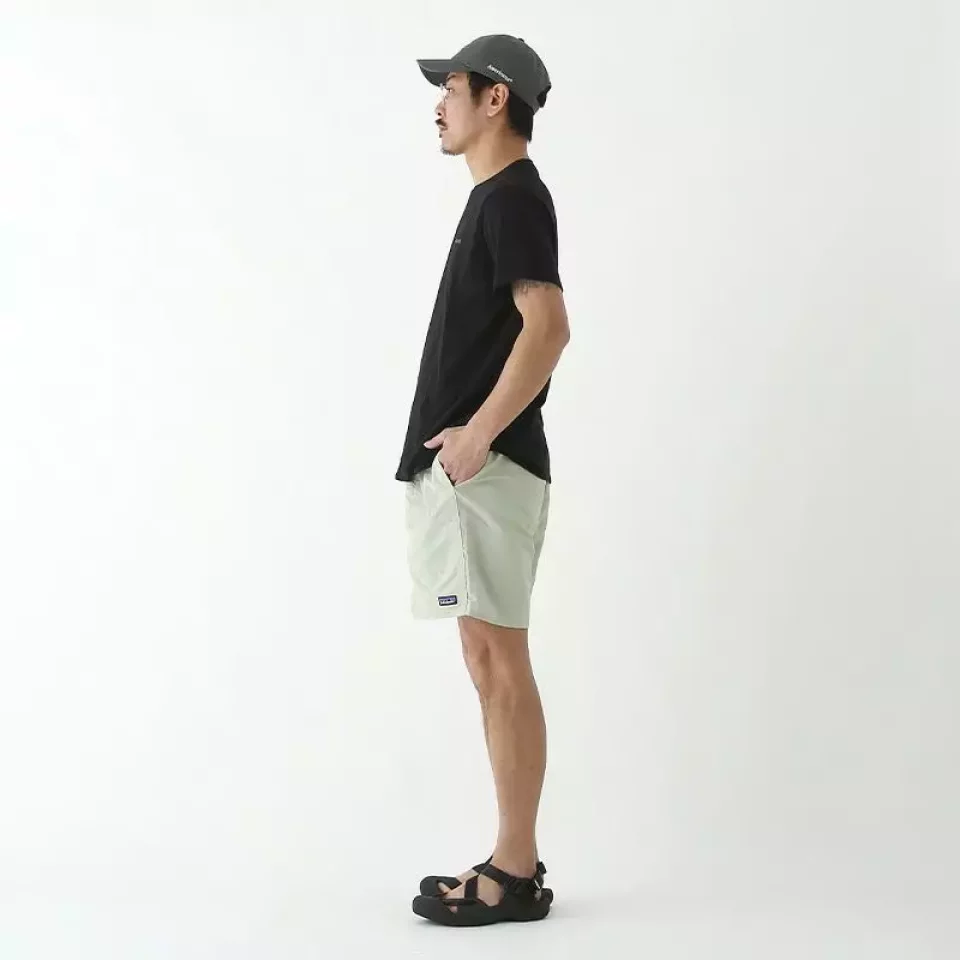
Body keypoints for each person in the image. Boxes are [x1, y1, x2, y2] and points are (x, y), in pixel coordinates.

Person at [395, 34, 570, 927]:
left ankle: (513, 871)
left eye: (452, 87)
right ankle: (514, 862)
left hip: (488, 473)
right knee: (486, 657)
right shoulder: (496, 201)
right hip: (475, 473)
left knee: (499, 662)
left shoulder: (514, 199)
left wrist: (476, 438)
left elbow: (549, 328)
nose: (439, 103)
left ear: (496, 98)